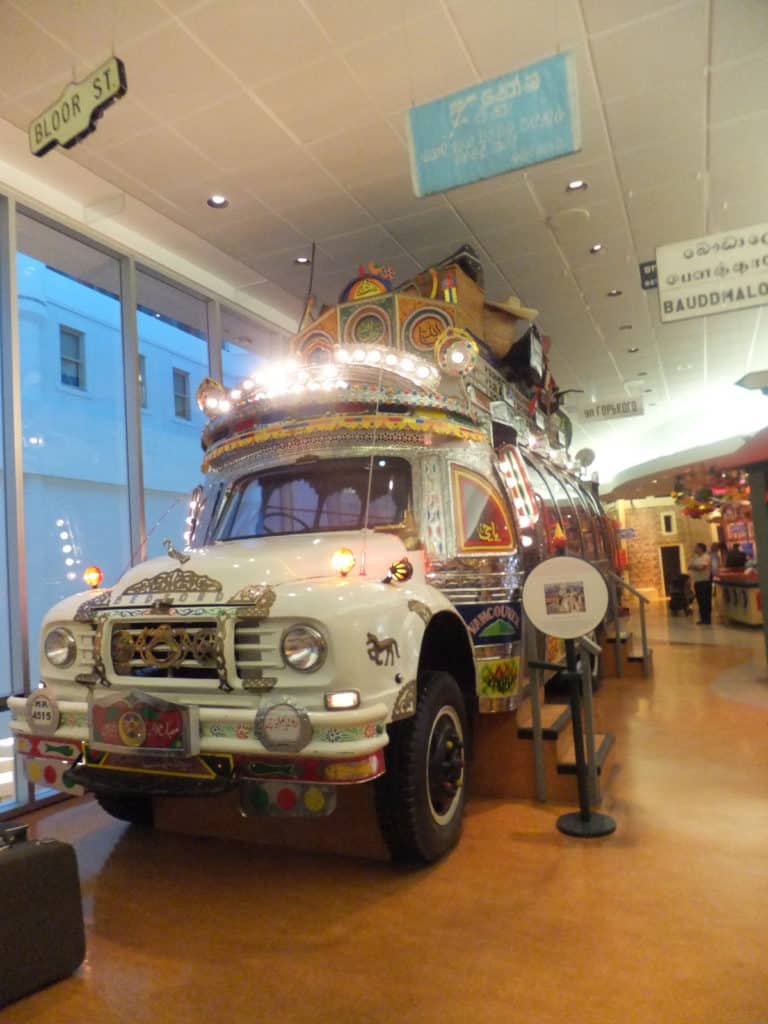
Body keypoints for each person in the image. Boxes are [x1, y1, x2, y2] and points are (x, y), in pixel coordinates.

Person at [687, 542, 712, 625]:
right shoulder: (696, 558)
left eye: (696, 547)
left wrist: (694, 567)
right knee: (700, 601)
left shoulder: (706, 557)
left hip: (704, 582)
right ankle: (702, 618)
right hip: (697, 582)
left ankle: (707, 619)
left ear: (701, 549)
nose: (695, 549)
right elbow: (689, 566)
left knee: (705, 601)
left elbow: (702, 567)